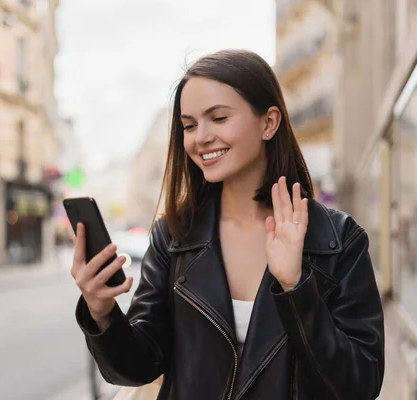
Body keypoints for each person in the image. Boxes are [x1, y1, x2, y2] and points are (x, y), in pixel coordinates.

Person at [71, 49, 385, 400]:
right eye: (189, 125)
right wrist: (102, 314)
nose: (200, 137)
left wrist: (296, 288)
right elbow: (139, 366)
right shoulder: (174, 235)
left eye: (218, 118)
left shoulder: (338, 240)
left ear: (269, 123)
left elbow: (361, 385)